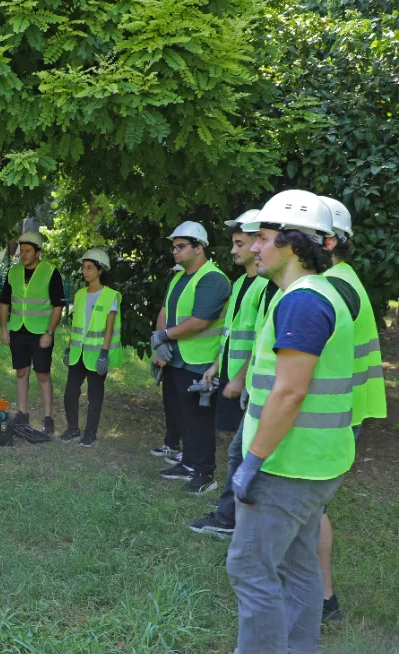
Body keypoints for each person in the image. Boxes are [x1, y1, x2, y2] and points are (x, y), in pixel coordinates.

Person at [226, 189, 356, 654]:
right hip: (317, 464)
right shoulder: (316, 294)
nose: (253, 248)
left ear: (293, 243)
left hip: (287, 468)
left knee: (250, 569)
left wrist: (251, 461)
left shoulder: (301, 301)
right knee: (300, 569)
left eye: (261, 238)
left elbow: (289, 391)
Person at [316, 196, 387, 622]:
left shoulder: (335, 288)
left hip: (333, 413)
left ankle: (323, 598)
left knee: (311, 508)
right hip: (345, 409)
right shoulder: (345, 279)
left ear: (326, 242)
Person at [189, 210, 278, 535]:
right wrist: (217, 367)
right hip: (237, 377)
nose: (234, 250)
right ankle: (235, 513)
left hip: (254, 384)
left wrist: (240, 378)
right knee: (239, 449)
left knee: (242, 451)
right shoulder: (241, 282)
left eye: (239, 243)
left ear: (258, 241)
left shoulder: (268, 287)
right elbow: (230, 333)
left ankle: (231, 517)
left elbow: (260, 338)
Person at [150, 221, 231, 494]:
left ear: (199, 248)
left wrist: (164, 336)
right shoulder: (179, 276)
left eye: (181, 247)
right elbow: (165, 310)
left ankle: (204, 474)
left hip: (200, 361)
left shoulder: (213, 279)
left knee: (199, 420)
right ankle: (188, 464)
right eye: (174, 247)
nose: (175, 252)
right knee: (183, 416)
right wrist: (161, 339)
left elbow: (200, 321)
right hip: (177, 358)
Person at [0, 231, 66, 436]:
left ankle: (47, 418)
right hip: (18, 329)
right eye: (21, 251)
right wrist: (4, 328)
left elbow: (58, 307)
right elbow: (4, 302)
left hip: (41, 332)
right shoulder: (13, 272)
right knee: (21, 372)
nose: (23, 255)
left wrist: (50, 332)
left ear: (38, 252)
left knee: (43, 374)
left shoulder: (51, 272)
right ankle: (22, 413)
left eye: (28, 251)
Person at [62, 248, 121, 446]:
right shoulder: (79, 295)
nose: (85, 271)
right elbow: (76, 325)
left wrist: (104, 354)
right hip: (78, 353)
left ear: (100, 270)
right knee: (70, 392)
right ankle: (72, 429)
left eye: (89, 268)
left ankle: (90, 433)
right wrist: (69, 348)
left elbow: (109, 329)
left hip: (97, 355)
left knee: (95, 396)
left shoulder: (110, 295)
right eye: (84, 268)